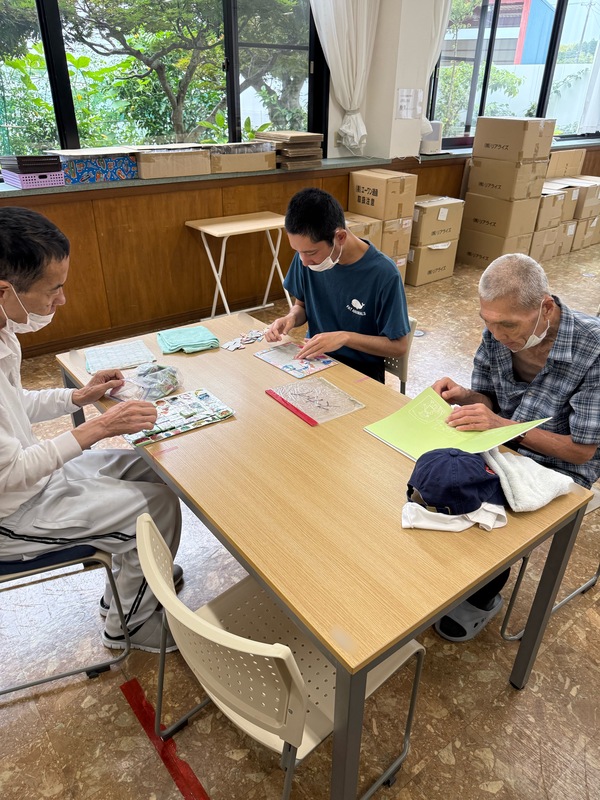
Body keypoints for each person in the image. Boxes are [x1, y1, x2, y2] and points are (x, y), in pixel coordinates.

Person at [0, 206, 182, 653]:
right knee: (156, 510)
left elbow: (14, 404)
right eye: (54, 289)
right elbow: (10, 473)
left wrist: (77, 398)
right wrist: (98, 427)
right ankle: (129, 627)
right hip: (11, 514)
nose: (61, 300)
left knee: (154, 472)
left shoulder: (4, 329)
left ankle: (138, 578)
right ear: (4, 291)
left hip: (35, 482)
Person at [431, 253, 600, 642]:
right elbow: (489, 399)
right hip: (501, 442)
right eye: (487, 322)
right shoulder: (496, 333)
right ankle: (450, 576)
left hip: (559, 466)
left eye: (508, 325)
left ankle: (483, 593)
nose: (496, 334)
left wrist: (502, 426)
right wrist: (466, 397)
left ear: (545, 308)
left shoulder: (593, 349)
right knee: (436, 475)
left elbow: (581, 452)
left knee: (485, 512)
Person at [265, 187, 410, 383]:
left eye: (311, 253)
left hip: (360, 374)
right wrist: (290, 318)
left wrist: (344, 338)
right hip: (315, 362)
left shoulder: (384, 274)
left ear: (340, 237)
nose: (304, 262)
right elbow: (302, 306)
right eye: (298, 251)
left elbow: (399, 346)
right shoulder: (306, 258)